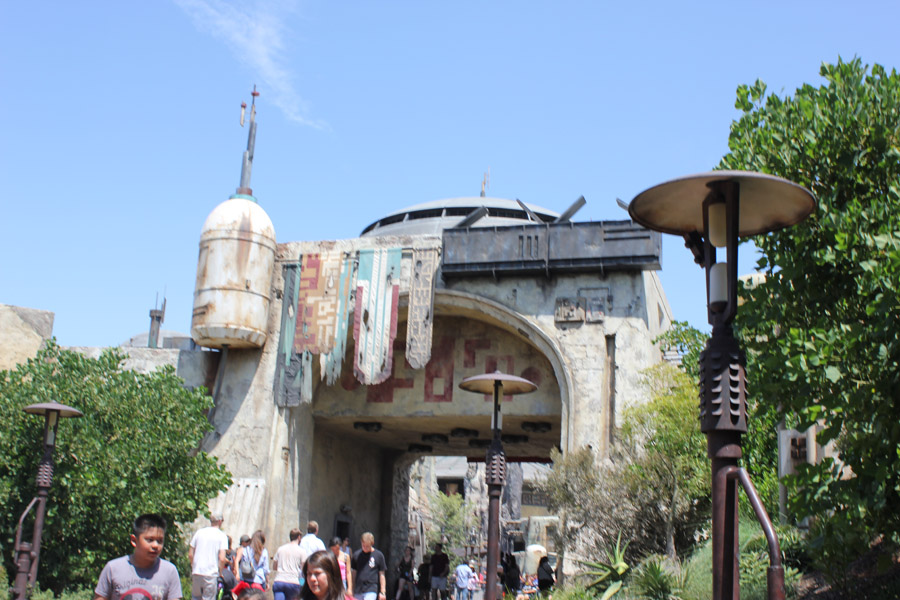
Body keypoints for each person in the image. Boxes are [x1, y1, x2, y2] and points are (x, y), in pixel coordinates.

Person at [94, 513, 183, 600]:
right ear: (134, 540)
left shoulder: (169, 571)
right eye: (150, 540)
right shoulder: (113, 568)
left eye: (160, 541)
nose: (155, 545)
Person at [189, 514, 229, 600]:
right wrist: (220, 572)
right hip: (210, 573)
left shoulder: (199, 532)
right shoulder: (222, 536)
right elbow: (222, 558)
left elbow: (190, 554)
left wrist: (193, 565)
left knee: (195, 598)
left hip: (197, 571)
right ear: (220, 521)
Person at [273, 528, 309, 600]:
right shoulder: (302, 551)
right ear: (299, 537)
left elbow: (274, 567)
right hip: (293, 582)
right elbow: (304, 569)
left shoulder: (280, 549)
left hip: (279, 580)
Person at [350, 532, 386, 600]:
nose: (365, 548)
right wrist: (351, 588)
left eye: (367, 546)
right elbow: (353, 573)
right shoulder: (356, 555)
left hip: (371, 589)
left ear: (372, 543)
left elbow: (382, 574)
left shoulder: (378, 555)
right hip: (358, 590)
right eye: (363, 545)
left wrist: (383, 591)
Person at [233, 530, 269, 595]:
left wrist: (237, 573)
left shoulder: (246, 549)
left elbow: (237, 560)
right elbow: (265, 569)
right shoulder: (264, 551)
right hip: (259, 580)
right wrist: (267, 582)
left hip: (246, 579)